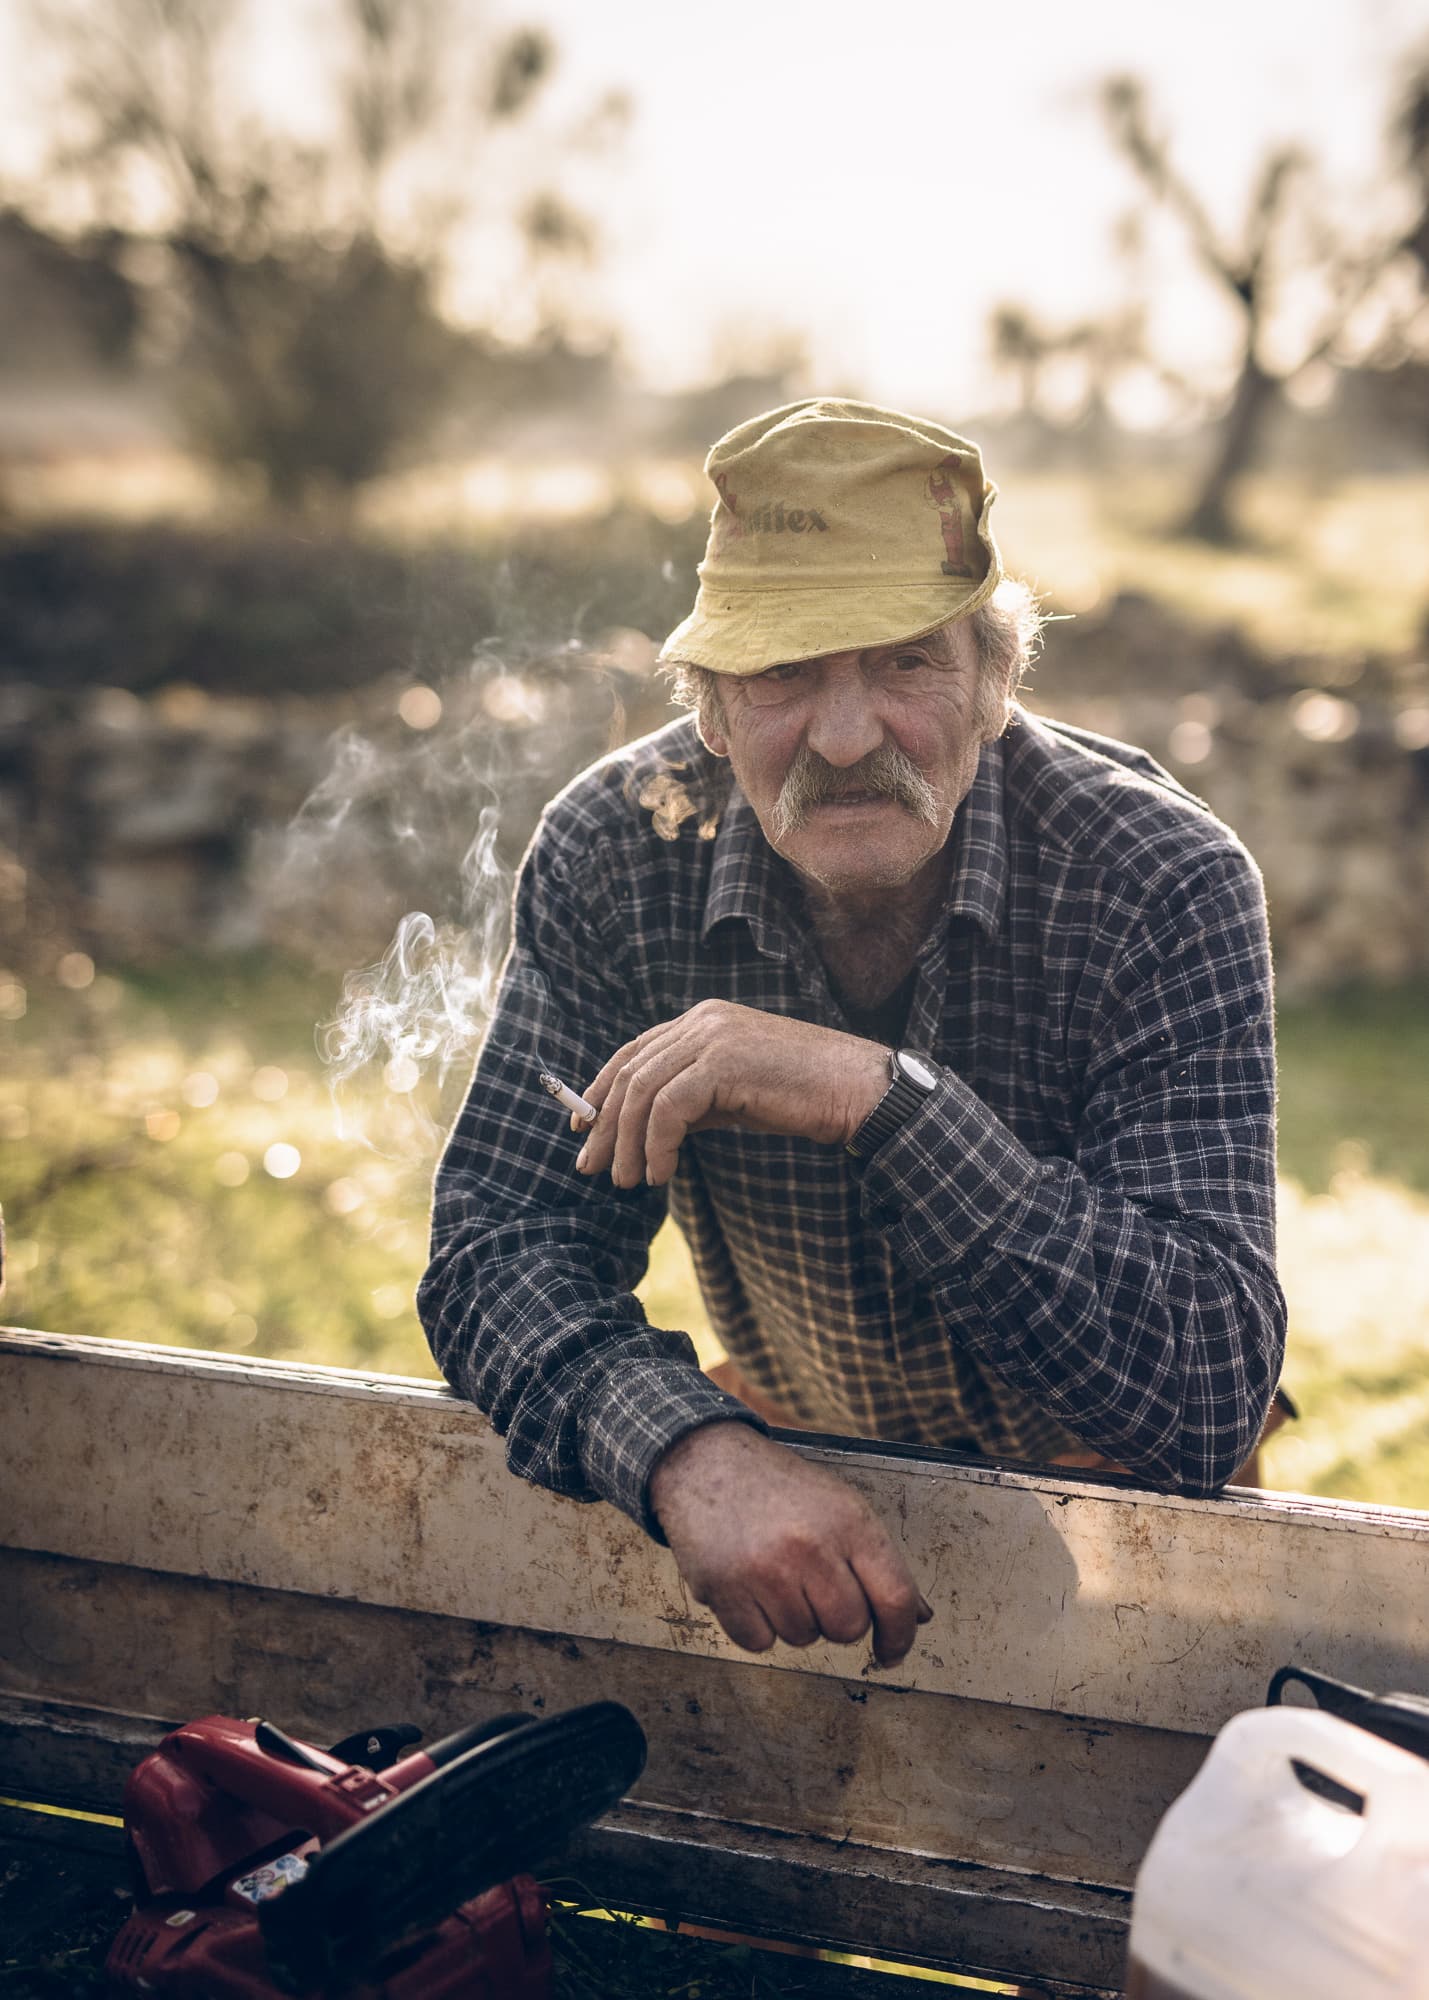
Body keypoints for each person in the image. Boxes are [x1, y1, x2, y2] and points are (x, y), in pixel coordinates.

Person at [418, 399, 1288, 1671]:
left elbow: (1204, 1384)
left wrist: (876, 1094)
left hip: (1126, 1499)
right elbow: (497, 1247)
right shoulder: (619, 851)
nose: (843, 735)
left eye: (903, 661)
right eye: (782, 672)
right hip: (798, 1474)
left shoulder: (1160, 878)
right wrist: (688, 1448)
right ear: (710, 707)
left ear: (994, 680)